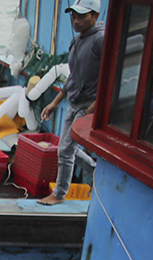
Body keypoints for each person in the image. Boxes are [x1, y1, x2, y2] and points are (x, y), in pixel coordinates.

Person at [38, 0, 105, 206]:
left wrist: (93, 108)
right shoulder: (77, 40)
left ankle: (59, 194)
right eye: (74, 16)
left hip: (87, 106)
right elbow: (73, 77)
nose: (76, 21)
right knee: (66, 148)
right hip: (73, 103)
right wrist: (56, 102)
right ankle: (95, 170)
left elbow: (111, 76)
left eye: (82, 16)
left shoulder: (101, 40)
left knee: (65, 150)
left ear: (94, 16)